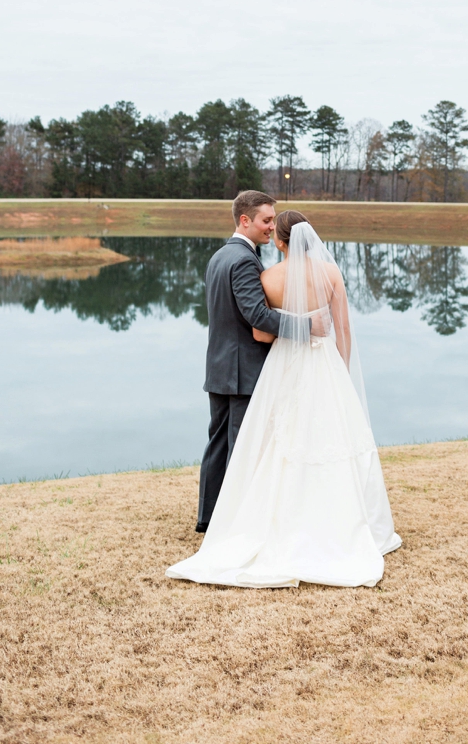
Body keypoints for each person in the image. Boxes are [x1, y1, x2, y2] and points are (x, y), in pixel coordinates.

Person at [167, 208, 401, 588]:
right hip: (325, 363)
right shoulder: (331, 274)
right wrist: (338, 367)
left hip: (285, 367)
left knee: (277, 441)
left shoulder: (269, 277)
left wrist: (294, 331)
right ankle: (341, 523)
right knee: (331, 437)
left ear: (279, 241)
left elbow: (261, 334)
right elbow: (342, 328)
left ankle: (262, 519)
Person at [194, 190, 283, 533]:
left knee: (218, 442)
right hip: (241, 369)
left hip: (219, 366)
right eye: (266, 220)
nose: (271, 227)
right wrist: (305, 326)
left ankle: (209, 517)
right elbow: (256, 315)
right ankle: (232, 522)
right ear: (245, 220)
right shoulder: (245, 259)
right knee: (241, 445)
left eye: (273, 220)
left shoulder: (219, 256)